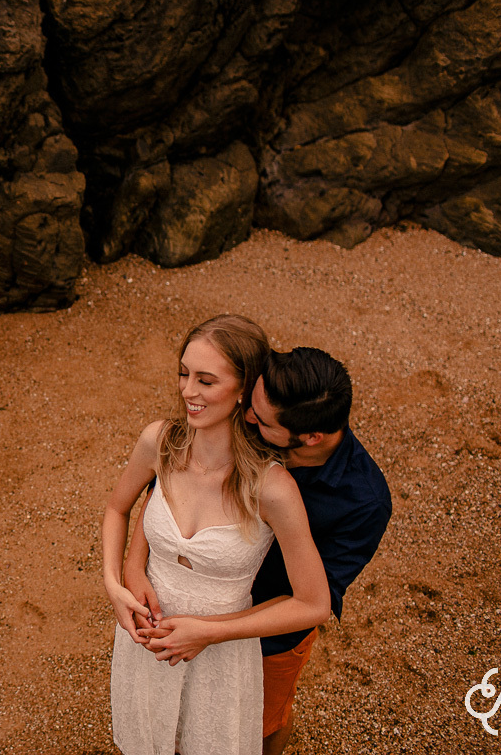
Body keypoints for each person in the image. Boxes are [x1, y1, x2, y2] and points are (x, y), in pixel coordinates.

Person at [126, 347, 392, 755]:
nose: (246, 418)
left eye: (261, 419)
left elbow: (313, 603)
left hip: (267, 634)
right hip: (180, 605)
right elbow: (170, 479)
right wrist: (134, 563)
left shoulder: (363, 503)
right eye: (250, 404)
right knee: (175, 717)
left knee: (257, 726)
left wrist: (212, 631)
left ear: (310, 437)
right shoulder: (256, 413)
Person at [102, 316, 330, 755]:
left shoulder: (273, 488)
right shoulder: (159, 442)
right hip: (145, 640)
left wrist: (209, 632)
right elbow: (117, 508)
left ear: (245, 389)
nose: (188, 391)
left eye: (206, 380)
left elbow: (314, 603)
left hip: (221, 654)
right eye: (184, 374)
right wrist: (115, 583)